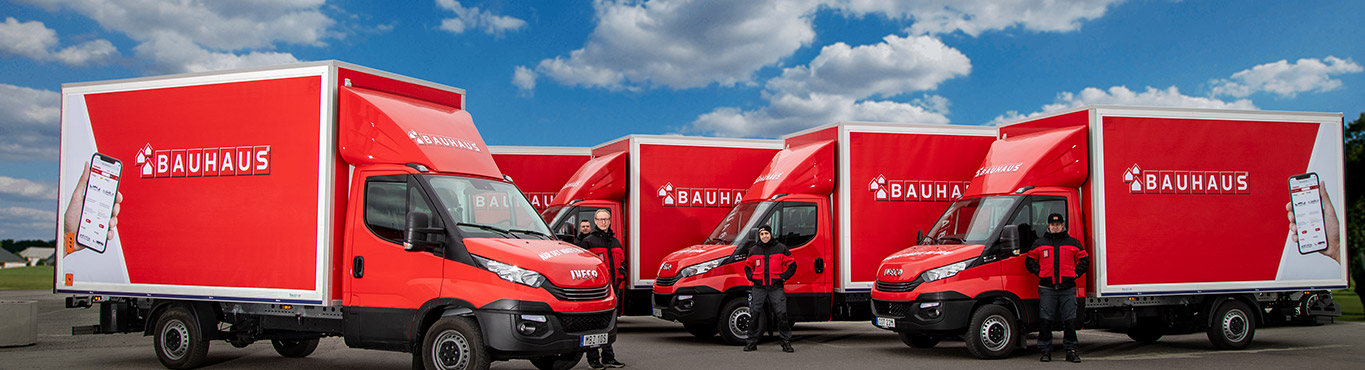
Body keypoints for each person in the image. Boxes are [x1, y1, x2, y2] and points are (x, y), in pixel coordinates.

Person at [1024, 213, 1088, 363]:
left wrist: (1075, 273)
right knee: (1046, 321)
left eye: (1058, 224)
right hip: (1047, 289)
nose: (1055, 227)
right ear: (1048, 226)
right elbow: (1029, 261)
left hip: (1067, 288)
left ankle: (1071, 351)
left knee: (1070, 321)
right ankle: (1045, 351)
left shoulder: (1073, 243)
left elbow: (1084, 259)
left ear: (1063, 225)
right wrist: (1040, 273)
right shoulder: (1040, 243)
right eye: (1053, 225)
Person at [576, 209, 626, 369]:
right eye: (600, 219)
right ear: (595, 221)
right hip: (596, 291)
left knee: (609, 325)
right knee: (594, 325)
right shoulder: (588, 242)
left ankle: (609, 358)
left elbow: (622, 262)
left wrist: (622, 273)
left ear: (610, 221)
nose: (603, 222)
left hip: (613, 289)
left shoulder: (616, 242)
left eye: (606, 219)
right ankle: (593, 359)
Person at [742, 225, 796, 353]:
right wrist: (752, 278)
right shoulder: (754, 250)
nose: (764, 236)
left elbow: (792, 265)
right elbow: (747, 267)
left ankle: (786, 342)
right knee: (754, 314)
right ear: (759, 236)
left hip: (775, 287)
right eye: (762, 234)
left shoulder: (781, 248)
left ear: (771, 234)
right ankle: (751, 342)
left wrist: (783, 278)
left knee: (781, 315)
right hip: (759, 288)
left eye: (766, 233)